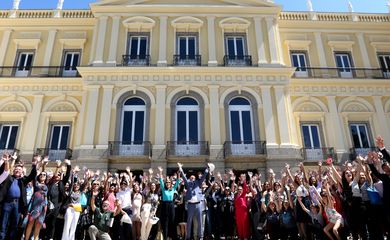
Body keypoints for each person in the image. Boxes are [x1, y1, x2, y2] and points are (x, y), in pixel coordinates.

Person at [0, 154, 37, 240]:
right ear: (13, 171)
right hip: (7, 203)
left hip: (17, 205)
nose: (17, 170)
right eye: (16, 169)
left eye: (19, 169)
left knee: (15, 224)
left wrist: (34, 165)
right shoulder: (8, 178)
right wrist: (6, 161)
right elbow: (3, 171)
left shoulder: (23, 180)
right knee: (3, 223)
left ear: (22, 172)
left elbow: (32, 175)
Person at [179, 162, 209, 240]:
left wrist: (207, 169)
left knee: (200, 222)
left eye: (193, 178)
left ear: (195, 179)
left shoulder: (198, 183)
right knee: (189, 222)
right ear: (189, 179)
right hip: (190, 205)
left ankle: (200, 237)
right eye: (191, 178)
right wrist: (180, 168)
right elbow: (183, 177)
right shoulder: (188, 183)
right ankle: (188, 237)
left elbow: (204, 177)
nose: (192, 179)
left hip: (198, 205)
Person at [43, 159, 71, 240]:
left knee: (52, 223)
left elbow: (68, 175)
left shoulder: (62, 183)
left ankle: (51, 237)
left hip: (57, 206)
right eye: (57, 174)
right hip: (48, 205)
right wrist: (57, 168)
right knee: (46, 222)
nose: (58, 175)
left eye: (59, 174)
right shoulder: (51, 182)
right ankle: (45, 236)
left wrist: (68, 165)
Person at [24, 157, 49, 240]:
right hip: (35, 206)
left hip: (43, 207)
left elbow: (44, 171)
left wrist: (44, 165)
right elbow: (34, 174)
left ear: (46, 177)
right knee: (30, 224)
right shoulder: (36, 183)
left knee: (38, 225)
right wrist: (38, 164)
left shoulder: (47, 184)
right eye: (41, 174)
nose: (42, 175)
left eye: (44, 175)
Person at [159, 166, 181, 240]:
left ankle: (172, 237)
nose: (168, 183)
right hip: (165, 205)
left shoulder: (173, 189)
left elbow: (177, 181)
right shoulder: (163, 189)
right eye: (167, 182)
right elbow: (161, 180)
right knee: (165, 222)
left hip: (171, 205)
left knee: (172, 221)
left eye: (169, 182)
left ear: (171, 183)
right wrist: (161, 171)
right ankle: (165, 237)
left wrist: (178, 174)